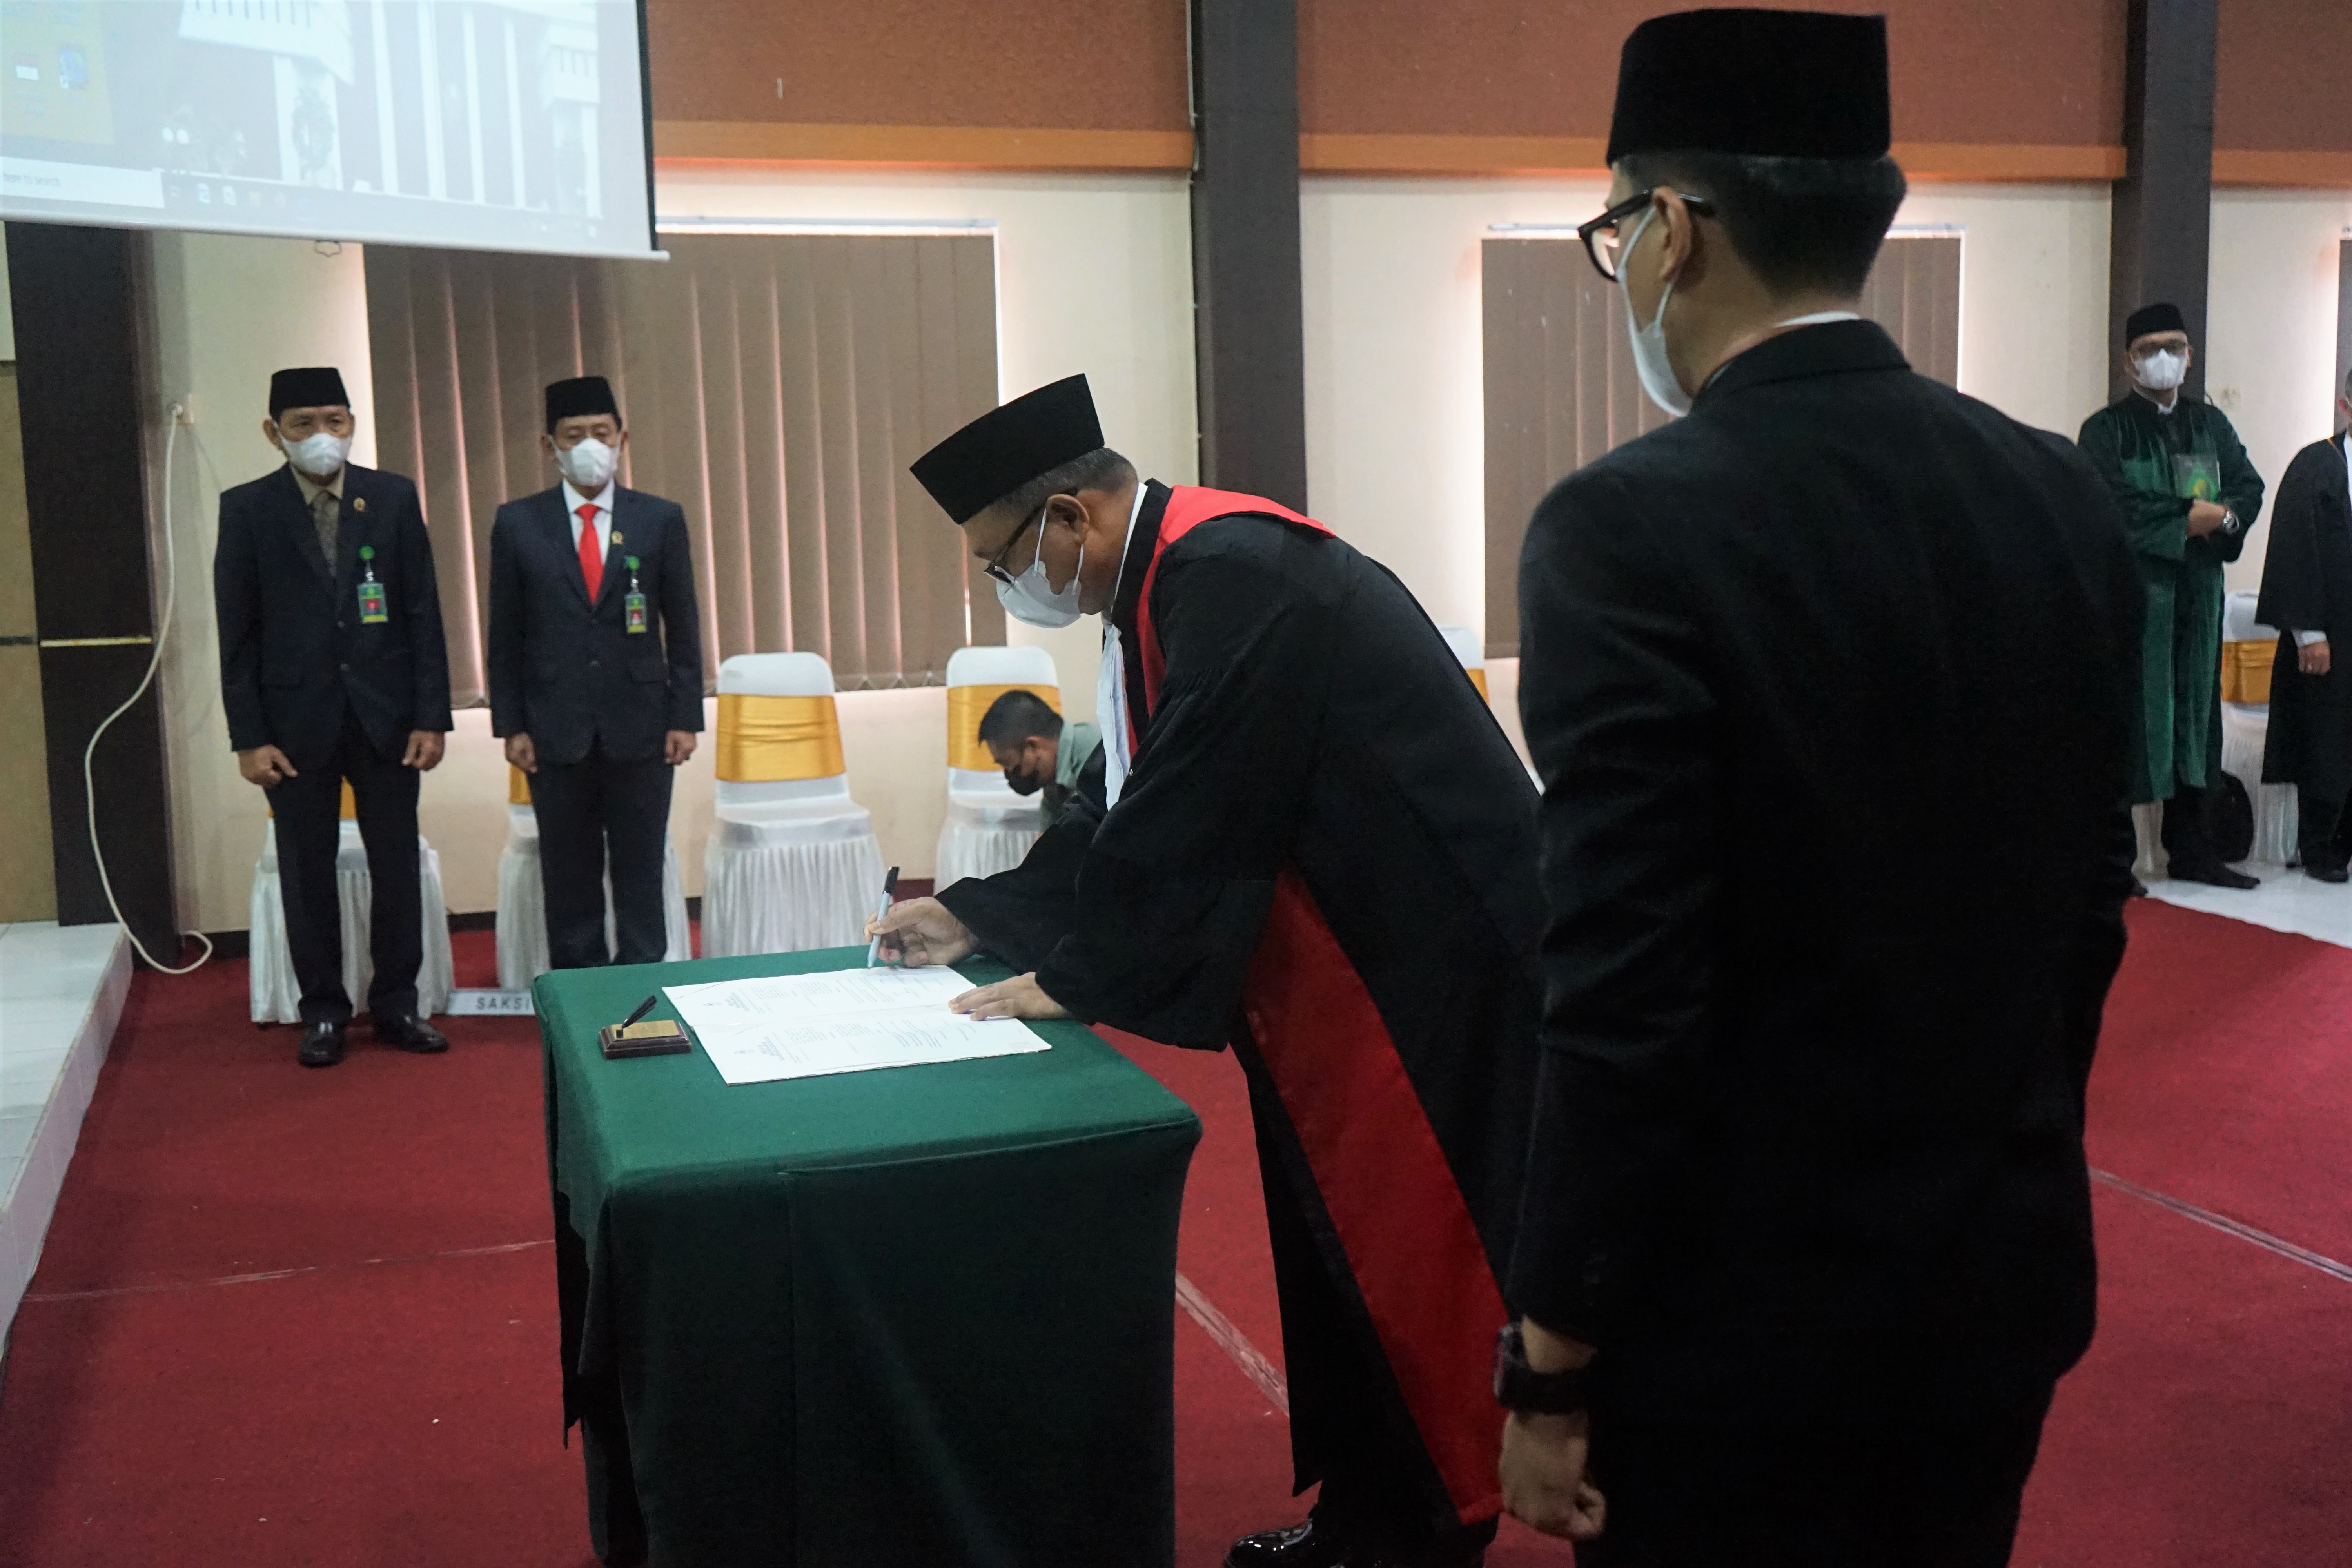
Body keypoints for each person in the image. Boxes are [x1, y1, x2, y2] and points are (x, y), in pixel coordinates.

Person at [1498, 12, 2144, 1566]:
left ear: (1672, 229)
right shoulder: (2054, 488)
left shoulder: (1627, 530)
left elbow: (1628, 992)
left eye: (1614, 235)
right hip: (1993, 1284)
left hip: (1739, 1335)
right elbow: (2089, 913)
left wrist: (1553, 1353)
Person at [872, 374, 1543, 1568]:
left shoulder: (1233, 571)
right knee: (1335, 1255)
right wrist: (978, 915)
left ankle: (1422, 1528)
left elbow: (1194, 803)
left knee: (1410, 1252)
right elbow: (1129, 794)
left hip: (1422, 967)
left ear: (1067, 517)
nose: (1005, 587)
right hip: (1342, 962)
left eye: (1000, 561)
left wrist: (1080, 971)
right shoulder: (1162, 583)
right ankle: (1365, 1516)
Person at [213, 366, 454, 1067]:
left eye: (335, 421)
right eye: (304, 424)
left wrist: (431, 717)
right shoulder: (248, 509)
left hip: (388, 719)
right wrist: (250, 737)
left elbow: (422, 614)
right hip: (294, 726)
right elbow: (238, 634)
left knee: (396, 867)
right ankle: (323, 1011)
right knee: (306, 872)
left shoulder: (392, 497)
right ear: (274, 433)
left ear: (352, 424)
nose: (322, 435)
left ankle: (398, 1004)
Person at [487, 376, 703, 969]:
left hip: (643, 726)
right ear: (549, 445)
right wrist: (511, 725)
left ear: (622, 440)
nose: (589, 446)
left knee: (641, 871)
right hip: (553, 729)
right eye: (574, 435)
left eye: (601, 434)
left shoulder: (658, 519)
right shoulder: (518, 523)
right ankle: (582, 996)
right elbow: (504, 635)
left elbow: (683, 626)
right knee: (569, 877)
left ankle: (640, 989)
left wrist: (685, 717)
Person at [2079, 301, 2267, 887]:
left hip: (2199, 597)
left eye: (2174, 348)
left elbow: (2247, 487)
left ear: (2189, 356)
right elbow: (2109, 503)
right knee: (2130, 721)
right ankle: (2114, 864)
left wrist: (2224, 519)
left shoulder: (2211, 425)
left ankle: (2193, 851)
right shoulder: (2105, 431)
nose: (2162, 359)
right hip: (2138, 602)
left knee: (2195, 718)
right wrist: (2189, 517)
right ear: (2128, 361)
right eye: (2148, 350)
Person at [2256, 373, 2352, 881]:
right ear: (2346, 406)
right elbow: (2295, 548)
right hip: (2331, 636)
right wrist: (2309, 634)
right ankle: (2319, 849)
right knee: (2326, 741)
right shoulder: (2318, 465)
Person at [976, 686, 1103, 819]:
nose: (1009, 774)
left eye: (1008, 763)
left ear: (1034, 746)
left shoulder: (1100, 758)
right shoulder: (1054, 783)